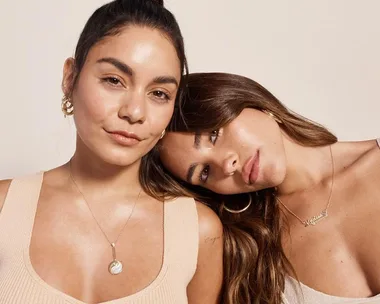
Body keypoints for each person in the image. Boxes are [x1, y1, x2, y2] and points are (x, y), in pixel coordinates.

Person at [0, 2, 223, 304]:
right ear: (70, 78)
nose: (134, 112)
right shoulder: (4, 208)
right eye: (114, 80)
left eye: (159, 93)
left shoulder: (199, 232)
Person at [158, 72, 380, 304]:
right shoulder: (247, 254)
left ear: (248, 101)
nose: (226, 164)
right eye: (204, 172)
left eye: (213, 135)